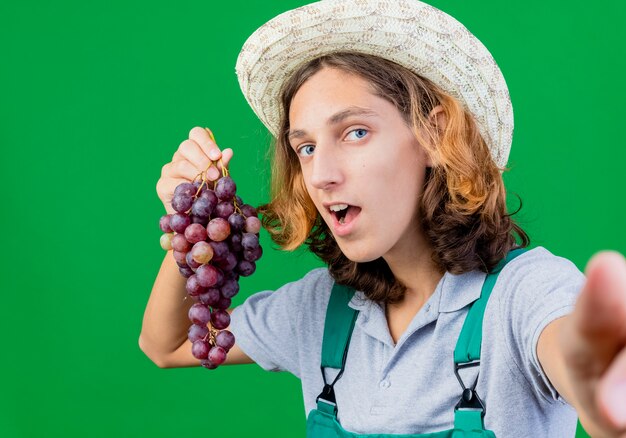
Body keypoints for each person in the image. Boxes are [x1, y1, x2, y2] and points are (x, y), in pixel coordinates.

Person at [139, 0, 626, 436]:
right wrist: (189, 220)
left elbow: (580, 355)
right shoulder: (321, 308)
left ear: (434, 136)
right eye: (305, 147)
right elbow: (168, 345)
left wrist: (597, 380)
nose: (322, 174)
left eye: (354, 133)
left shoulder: (524, 294)